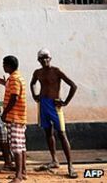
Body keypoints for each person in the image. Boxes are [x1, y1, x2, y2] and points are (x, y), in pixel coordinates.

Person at [30, 48, 78, 178]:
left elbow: (73, 86)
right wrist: (35, 96)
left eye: (47, 57)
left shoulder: (56, 71)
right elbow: (32, 83)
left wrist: (65, 102)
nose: (45, 60)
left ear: (50, 58)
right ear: (39, 60)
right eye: (42, 58)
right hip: (43, 105)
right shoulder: (38, 72)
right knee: (48, 132)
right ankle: (54, 160)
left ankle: (70, 165)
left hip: (55, 105)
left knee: (62, 133)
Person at [1, 55, 27, 183]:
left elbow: (14, 97)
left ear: (9, 66)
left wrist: (5, 113)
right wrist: (4, 82)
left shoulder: (14, 79)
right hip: (20, 117)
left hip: (14, 117)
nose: (3, 66)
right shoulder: (17, 77)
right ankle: (23, 172)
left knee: (16, 147)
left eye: (4, 64)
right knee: (21, 146)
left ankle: (18, 176)